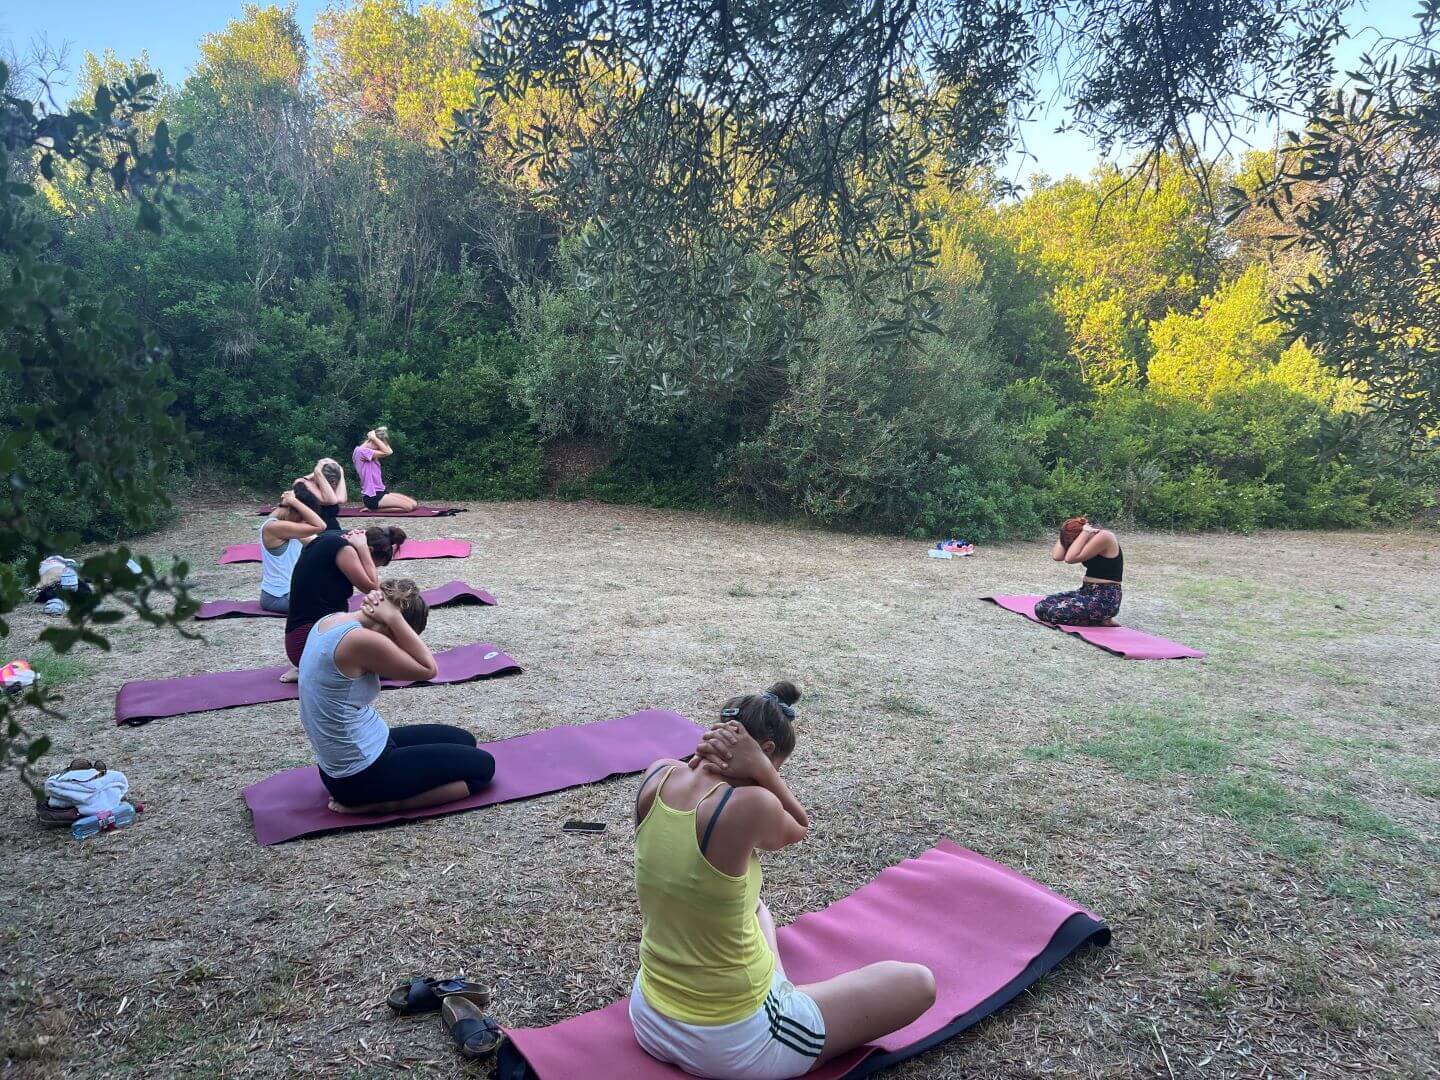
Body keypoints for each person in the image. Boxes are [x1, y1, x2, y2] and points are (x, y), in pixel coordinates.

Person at [628, 682, 936, 1079]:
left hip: (649, 1014)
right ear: (766, 753)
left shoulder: (658, 774)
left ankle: (772, 985)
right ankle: (780, 1001)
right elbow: (799, 827)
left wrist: (713, 758)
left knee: (755, 907)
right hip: (730, 1042)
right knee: (918, 983)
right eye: (776, 767)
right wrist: (761, 771)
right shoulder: (750, 804)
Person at [299, 579, 495, 815]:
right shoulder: (361, 640)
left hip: (351, 757)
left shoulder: (330, 620)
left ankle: (376, 793)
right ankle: (382, 804)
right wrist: (394, 618)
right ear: (392, 628)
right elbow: (428, 669)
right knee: (483, 769)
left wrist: (392, 618)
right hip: (361, 776)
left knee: (465, 740)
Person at [281, 526, 406, 682]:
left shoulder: (334, 539)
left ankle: (308, 668)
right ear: (370, 549)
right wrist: (363, 550)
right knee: (393, 662)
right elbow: (371, 587)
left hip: (306, 641)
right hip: (306, 645)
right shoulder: (343, 549)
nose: (370, 569)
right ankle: (311, 669)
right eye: (373, 565)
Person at [1035, 516, 1124, 627]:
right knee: (1041, 607)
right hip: (1086, 591)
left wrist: (1084, 533)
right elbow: (1057, 556)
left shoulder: (1104, 536)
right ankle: (1098, 619)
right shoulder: (1085, 537)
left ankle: (1103, 618)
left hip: (1105, 597)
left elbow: (1070, 558)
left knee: (1054, 613)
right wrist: (1064, 533)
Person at [259, 486, 328, 615]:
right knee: (330, 606)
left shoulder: (283, 523)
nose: (303, 522)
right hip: (278, 596)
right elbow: (320, 526)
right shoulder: (273, 527)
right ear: (292, 510)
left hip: (289, 592)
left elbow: (318, 544)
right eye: (302, 517)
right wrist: (293, 501)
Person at [352, 426, 418, 512]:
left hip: (381, 492)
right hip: (372, 496)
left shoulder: (366, 452)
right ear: (373, 442)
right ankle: (374, 510)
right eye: (378, 446)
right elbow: (388, 452)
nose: (379, 449)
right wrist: (374, 438)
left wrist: (378, 435)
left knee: (414, 504)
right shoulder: (361, 451)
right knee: (408, 507)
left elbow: (388, 450)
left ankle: (374, 508)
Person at [299, 458, 347, 532]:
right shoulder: (306, 484)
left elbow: (341, 499)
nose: (334, 484)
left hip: (333, 529)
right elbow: (331, 501)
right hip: (313, 532)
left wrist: (341, 471)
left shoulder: (331, 485)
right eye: (331, 482)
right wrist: (318, 472)